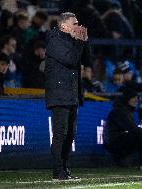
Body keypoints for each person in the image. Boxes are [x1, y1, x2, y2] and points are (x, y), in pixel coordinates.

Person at [45, 12, 90, 180]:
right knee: (60, 133)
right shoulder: (54, 41)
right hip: (59, 94)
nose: (77, 26)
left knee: (70, 134)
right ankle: (58, 170)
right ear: (63, 26)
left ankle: (64, 167)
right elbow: (71, 60)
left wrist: (86, 41)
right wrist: (79, 43)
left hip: (71, 94)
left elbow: (86, 59)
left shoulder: (73, 41)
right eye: (74, 23)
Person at [103, 87, 142, 167]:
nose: (136, 100)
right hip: (114, 142)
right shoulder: (121, 111)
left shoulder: (125, 110)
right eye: (134, 97)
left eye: (137, 97)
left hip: (115, 141)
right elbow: (132, 129)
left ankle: (137, 162)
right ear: (128, 99)